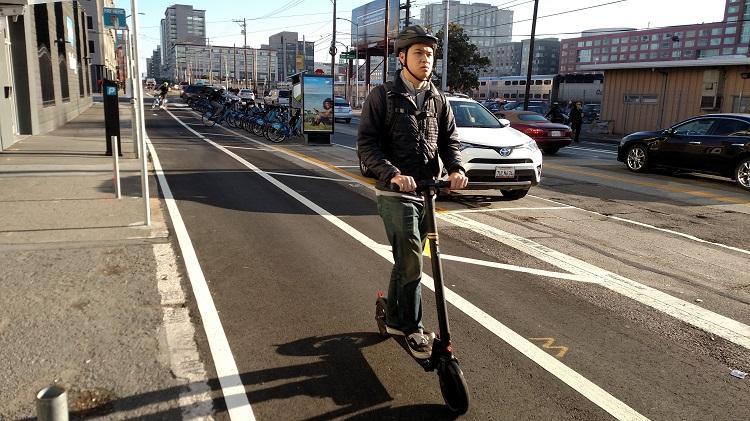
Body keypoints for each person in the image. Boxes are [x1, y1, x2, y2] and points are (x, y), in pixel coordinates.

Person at [357, 25, 468, 359]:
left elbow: (450, 141)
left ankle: (392, 316)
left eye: (430, 54)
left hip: (428, 193)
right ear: (402, 57)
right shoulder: (382, 96)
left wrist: (456, 168)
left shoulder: (438, 99)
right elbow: (367, 145)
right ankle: (413, 328)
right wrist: (392, 173)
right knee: (411, 261)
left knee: (407, 259)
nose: (426, 59)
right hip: (395, 192)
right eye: (419, 53)